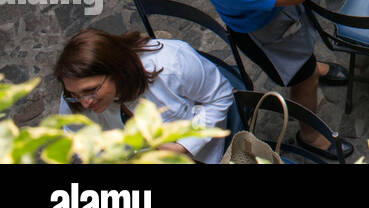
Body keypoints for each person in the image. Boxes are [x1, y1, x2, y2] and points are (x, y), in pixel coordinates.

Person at [166, 0, 352, 160]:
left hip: (283, 10)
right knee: (302, 76)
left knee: (304, 50)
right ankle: (309, 135)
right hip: (266, 33)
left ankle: (313, 66)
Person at [55, 28, 235, 164]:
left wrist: (185, 146)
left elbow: (220, 97)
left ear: (116, 71)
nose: (84, 103)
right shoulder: (73, 98)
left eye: (91, 90)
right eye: (74, 94)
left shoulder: (173, 64)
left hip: (202, 152)